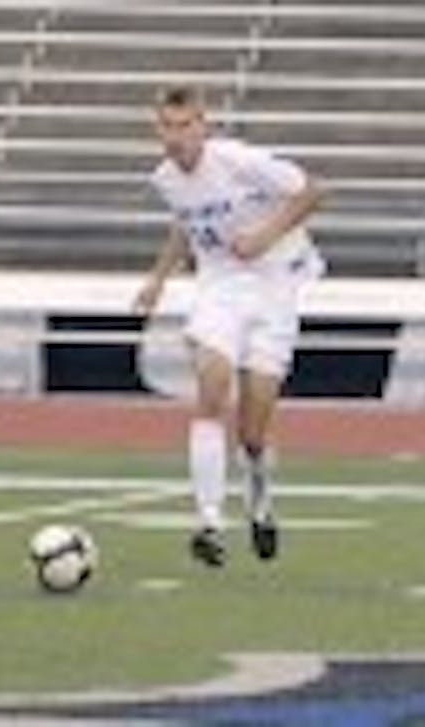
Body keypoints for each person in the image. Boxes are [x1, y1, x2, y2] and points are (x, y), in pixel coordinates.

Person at [134, 86, 325, 566]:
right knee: (212, 388)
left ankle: (259, 501)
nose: (175, 137)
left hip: (275, 285)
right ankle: (210, 522)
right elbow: (185, 225)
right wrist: (157, 279)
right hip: (219, 286)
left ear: (203, 126)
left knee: (253, 431)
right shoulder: (166, 179)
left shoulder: (239, 161)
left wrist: (265, 236)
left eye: (185, 125)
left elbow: (311, 191)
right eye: (166, 126)